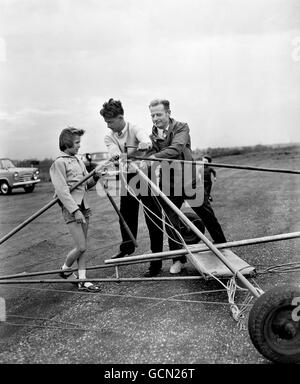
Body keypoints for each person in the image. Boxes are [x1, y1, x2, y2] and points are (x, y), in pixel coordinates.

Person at [145, 99, 227, 274]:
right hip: (168, 184)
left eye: (159, 114)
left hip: (189, 181)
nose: (155, 118)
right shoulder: (152, 134)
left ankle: (223, 247)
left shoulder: (182, 127)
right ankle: (179, 259)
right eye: (152, 115)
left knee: (207, 215)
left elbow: (176, 148)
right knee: (171, 222)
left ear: (168, 113)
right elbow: (149, 153)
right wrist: (143, 151)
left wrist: (153, 157)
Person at [99, 99, 164, 276]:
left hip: (144, 175)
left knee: (153, 217)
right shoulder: (109, 136)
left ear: (120, 117)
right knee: (126, 214)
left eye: (110, 122)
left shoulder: (134, 128)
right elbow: (114, 152)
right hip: (127, 177)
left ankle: (156, 261)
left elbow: (145, 140)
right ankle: (128, 247)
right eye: (106, 122)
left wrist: (144, 144)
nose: (108, 126)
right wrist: (120, 155)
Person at [50, 127, 101, 292]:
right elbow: (62, 191)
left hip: (84, 206)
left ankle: (83, 280)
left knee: (83, 246)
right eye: (77, 142)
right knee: (81, 247)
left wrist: (96, 177)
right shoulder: (59, 163)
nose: (80, 146)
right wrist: (75, 211)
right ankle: (65, 270)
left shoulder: (78, 160)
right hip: (72, 209)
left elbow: (87, 185)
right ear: (67, 143)